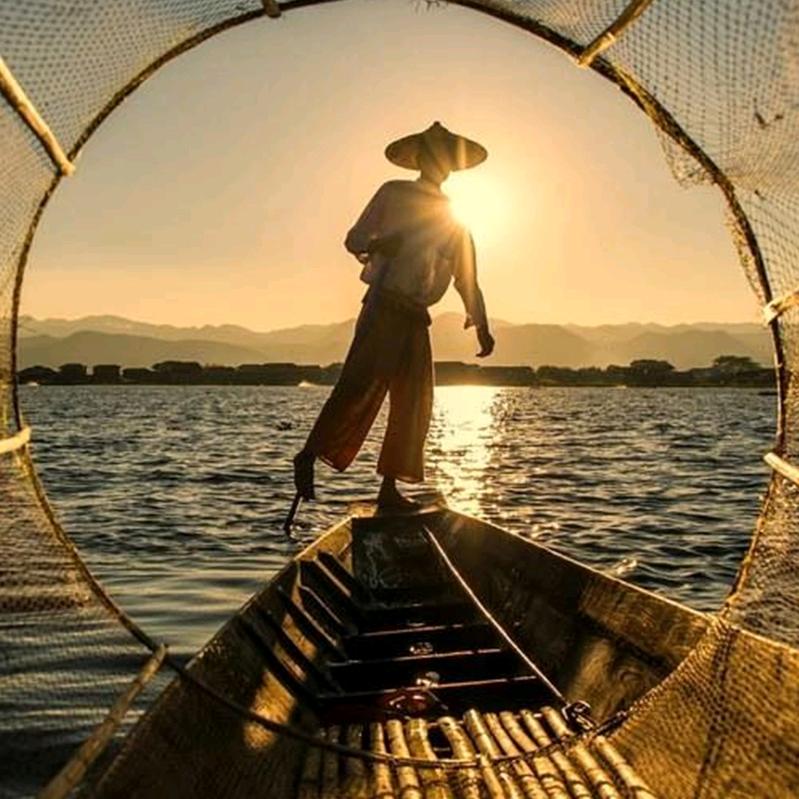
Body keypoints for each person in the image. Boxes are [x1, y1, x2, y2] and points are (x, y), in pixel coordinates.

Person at [293, 121, 495, 510]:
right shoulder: (393, 193)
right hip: (383, 305)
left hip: (416, 316)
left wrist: (481, 323)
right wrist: (382, 242)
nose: (441, 164)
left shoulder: (454, 219)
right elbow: (354, 239)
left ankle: (388, 492)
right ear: (420, 159)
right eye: (434, 156)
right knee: (359, 384)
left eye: (446, 159)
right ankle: (308, 455)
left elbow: (467, 277)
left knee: (413, 401)